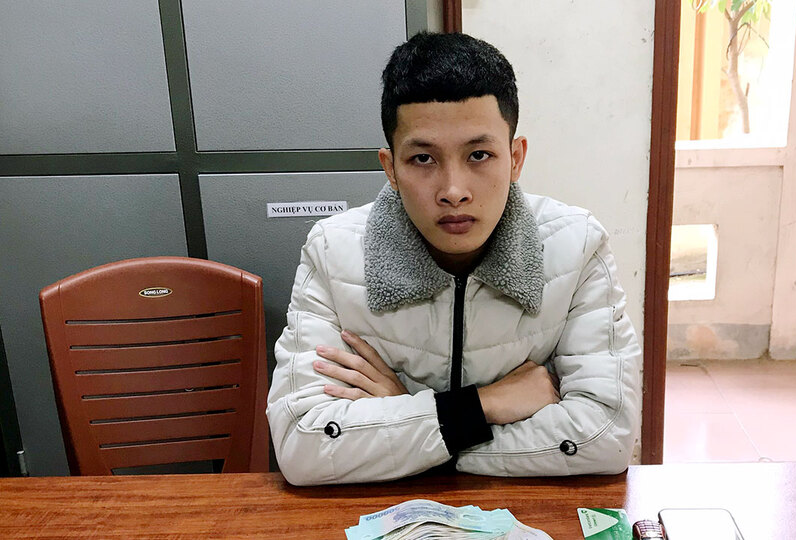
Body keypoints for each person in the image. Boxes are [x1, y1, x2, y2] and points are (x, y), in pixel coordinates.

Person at [267, 32, 641, 486]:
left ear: (515, 158)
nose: (453, 190)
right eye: (423, 158)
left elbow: (605, 436)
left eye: (479, 155)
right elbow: (304, 446)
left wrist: (406, 417)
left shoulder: (575, 246)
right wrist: (481, 407)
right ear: (390, 168)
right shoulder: (333, 251)